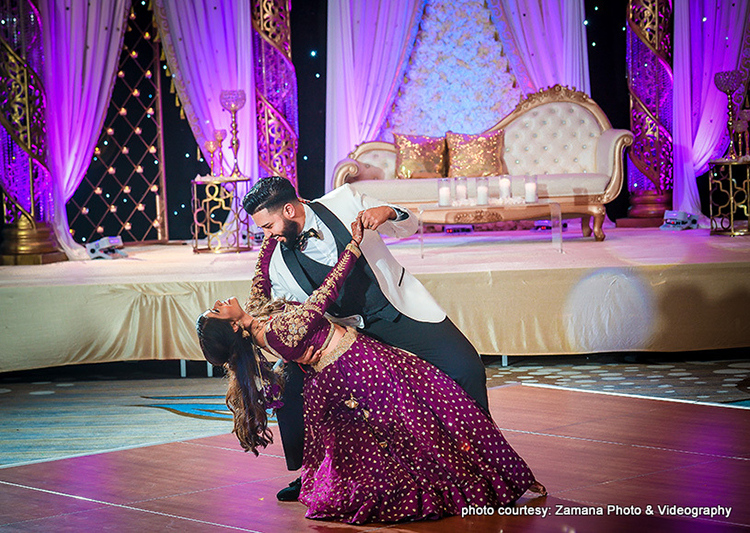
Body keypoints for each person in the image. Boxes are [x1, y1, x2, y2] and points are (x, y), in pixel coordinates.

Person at [195, 217, 546, 525]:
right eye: (216, 311)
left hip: (352, 365)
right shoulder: (275, 332)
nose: (220, 303)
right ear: (233, 329)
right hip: (359, 368)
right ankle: (486, 481)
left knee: (430, 413)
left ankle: (499, 474)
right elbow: (324, 295)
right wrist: (353, 248)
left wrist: (272, 236)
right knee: (428, 414)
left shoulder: (257, 318)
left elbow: (260, 277)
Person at [241, 176, 489, 501]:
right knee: (289, 382)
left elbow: (410, 225)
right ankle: (313, 475)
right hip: (348, 337)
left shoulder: (345, 199)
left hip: (397, 309)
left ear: (289, 209)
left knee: (466, 368)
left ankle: (482, 460)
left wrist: (389, 212)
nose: (266, 235)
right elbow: (295, 310)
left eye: (269, 225)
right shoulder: (275, 261)